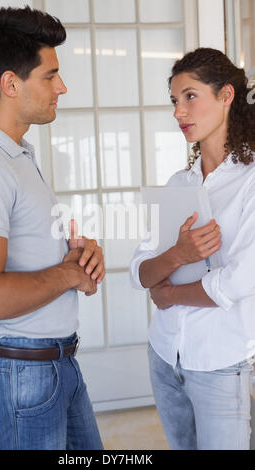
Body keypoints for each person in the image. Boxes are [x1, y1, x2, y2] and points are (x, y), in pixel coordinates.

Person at [0, 6, 105, 450]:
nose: (62, 87)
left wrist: (77, 257)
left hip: (49, 366)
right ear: (10, 83)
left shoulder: (14, 155)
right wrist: (68, 274)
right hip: (18, 376)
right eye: (50, 75)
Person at [130, 47, 255, 450]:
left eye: (190, 96)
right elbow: (139, 272)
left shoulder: (250, 182)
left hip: (221, 363)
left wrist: (168, 293)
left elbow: (237, 282)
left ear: (226, 96)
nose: (179, 111)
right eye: (174, 101)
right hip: (165, 356)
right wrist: (177, 257)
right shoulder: (176, 185)